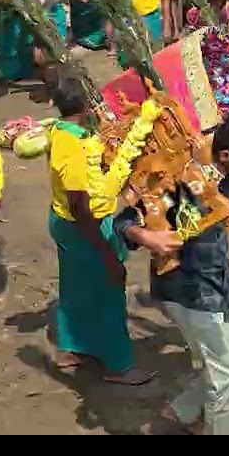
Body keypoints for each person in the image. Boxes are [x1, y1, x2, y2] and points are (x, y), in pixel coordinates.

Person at [117, 112, 229, 434]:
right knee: (223, 379)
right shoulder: (181, 182)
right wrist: (146, 237)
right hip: (188, 292)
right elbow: (125, 220)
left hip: (221, 282)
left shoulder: (225, 174)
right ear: (225, 155)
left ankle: (182, 411)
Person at [45, 76, 154, 385]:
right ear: (85, 105)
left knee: (75, 288)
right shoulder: (76, 148)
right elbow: (81, 207)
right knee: (109, 295)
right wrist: (108, 257)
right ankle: (118, 366)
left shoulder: (59, 132)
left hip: (64, 223)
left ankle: (70, 348)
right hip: (85, 228)